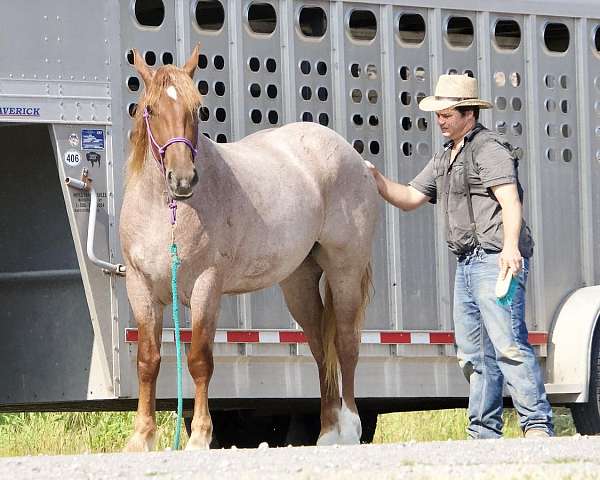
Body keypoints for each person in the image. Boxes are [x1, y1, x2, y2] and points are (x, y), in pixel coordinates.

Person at [367, 74, 554, 438]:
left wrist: (511, 249)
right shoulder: (445, 156)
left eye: (447, 113)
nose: (440, 120)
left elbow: (510, 202)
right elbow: (409, 198)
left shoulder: (489, 149)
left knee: (509, 346)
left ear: (469, 113)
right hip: (467, 263)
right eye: (438, 114)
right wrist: (374, 177)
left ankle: (537, 427)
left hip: (496, 259)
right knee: (474, 354)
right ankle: (483, 432)